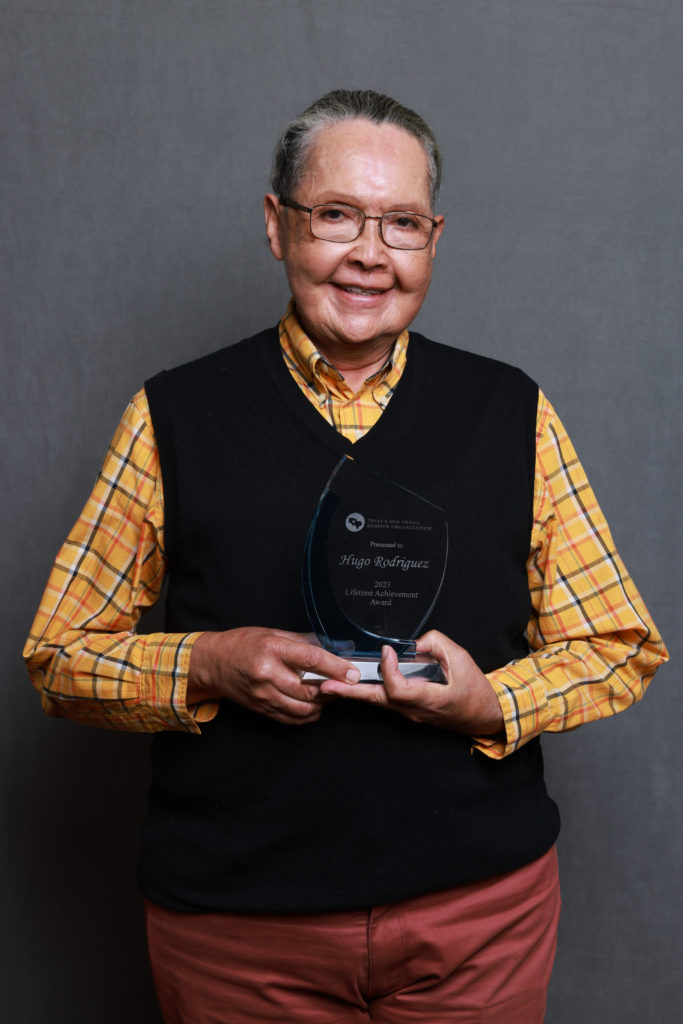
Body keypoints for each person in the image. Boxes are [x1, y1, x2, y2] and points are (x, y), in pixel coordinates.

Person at [24, 89, 667, 1024]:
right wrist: (207, 662)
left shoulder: (510, 412)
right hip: (240, 932)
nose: (370, 253)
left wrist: (491, 701)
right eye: (335, 215)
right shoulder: (174, 416)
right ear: (277, 225)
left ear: (433, 240)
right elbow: (58, 655)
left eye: (400, 223)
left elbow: (617, 642)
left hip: (477, 918)